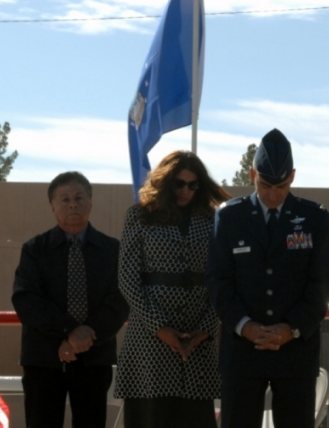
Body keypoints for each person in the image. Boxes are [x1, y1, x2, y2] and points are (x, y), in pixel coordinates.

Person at [206, 129, 329, 428]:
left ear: (292, 176)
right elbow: (218, 279)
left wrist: (291, 328)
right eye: (265, 184)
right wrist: (244, 325)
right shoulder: (229, 217)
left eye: (281, 185)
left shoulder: (314, 219)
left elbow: (322, 283)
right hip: (242, 352)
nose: (273, 194)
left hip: (295, 354)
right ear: (252, 174)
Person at [114, 151, 230, 427]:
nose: (186, 191)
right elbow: (127, 280)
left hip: (197, 344)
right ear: (165, 182)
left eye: (193, 185)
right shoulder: (140, 216)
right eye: (180, 183)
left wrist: (206, 328)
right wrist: (161, 328)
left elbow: (222, 279)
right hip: (148, 346)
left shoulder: (214, 220)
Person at [12, 171, 129, 428]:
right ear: (53, 207)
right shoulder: (35, 249)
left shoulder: (112, 250)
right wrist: (68, 333)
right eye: (64, 199)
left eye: (79, 197)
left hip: (94, 357)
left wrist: (86, 334)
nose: (72, 204)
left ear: (90, 202)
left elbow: (121, 299)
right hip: (43, 359)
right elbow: (26, 299)